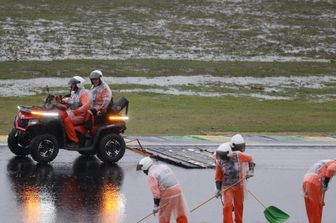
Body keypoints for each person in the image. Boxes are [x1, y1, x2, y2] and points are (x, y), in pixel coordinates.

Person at [136, 157, 189, 223]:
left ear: (145, 167)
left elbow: (156, 193)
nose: (144, 172)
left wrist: (156, 206)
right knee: (180, 212)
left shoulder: (151, 175)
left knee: (164, 215)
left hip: (167, 193)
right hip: (178, 190)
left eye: (143, 170)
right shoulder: (163, 166)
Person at [214, 142, 255, 223]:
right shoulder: (219, 161)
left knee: (239, 206)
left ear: (228, 153)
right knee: (227, 206)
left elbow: (250, 158)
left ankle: (239, 221)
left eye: (222, 155)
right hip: (227, 187)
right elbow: (218, 177)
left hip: (239, 185)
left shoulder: (238, 155)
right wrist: (218, 189)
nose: (221, 158)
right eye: (220, 155)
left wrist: (251, 171)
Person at [62, 76, 92, 148]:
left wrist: (76, 112)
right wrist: (61, 100)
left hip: (81, 115)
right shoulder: (74, 93)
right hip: (73, 113)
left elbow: (86, 106)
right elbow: (70, 100)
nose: (71, 86)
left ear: (78, 84)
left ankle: (74, 141)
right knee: (61, 116)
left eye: (73, 84)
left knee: (66, 120)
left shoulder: (83, 93)